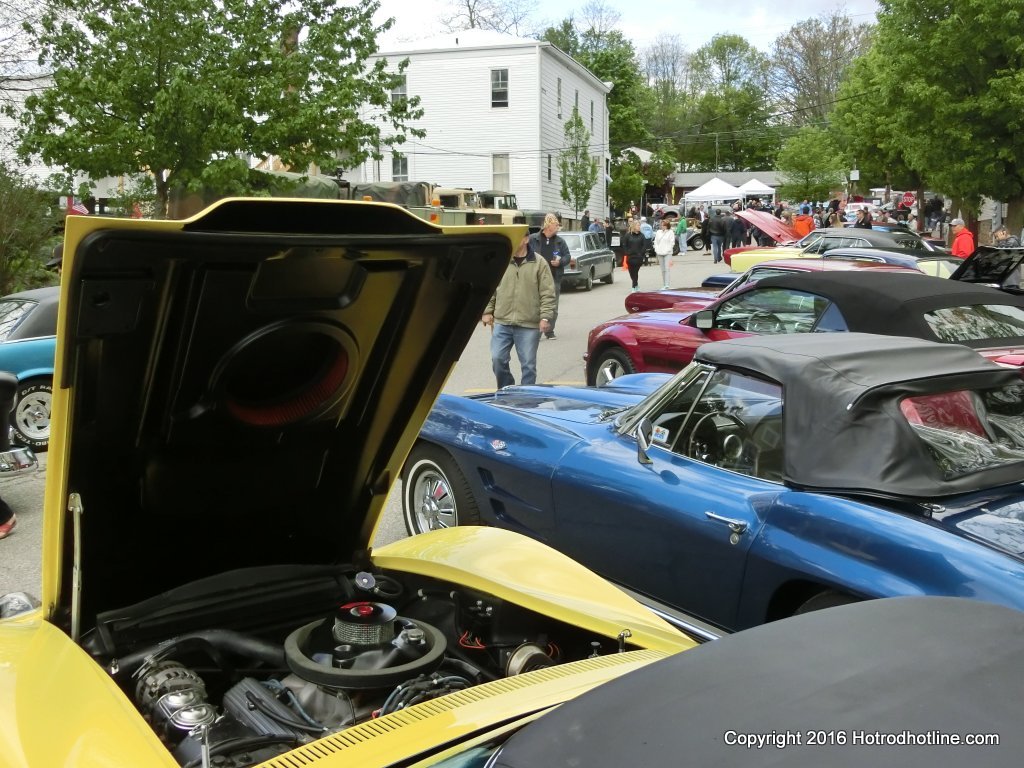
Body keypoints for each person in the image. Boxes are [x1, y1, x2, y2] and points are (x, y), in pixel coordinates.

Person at [482, 234, 556, 388]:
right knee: (497, 359)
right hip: (503, 321)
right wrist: (487, 311)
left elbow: (547, 292)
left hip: (529, 324)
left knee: (528, 366)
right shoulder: (501, 261)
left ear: (526, 239)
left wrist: (545, 317)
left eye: (517, 237)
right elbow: (491, 288)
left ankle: (526, 398)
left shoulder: (539, 263)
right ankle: (506, 389)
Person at [530, 213, 570, 339]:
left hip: (554, 277)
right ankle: (536, 330)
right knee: (536, 304)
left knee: (553, 305)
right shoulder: (533, 239)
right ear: (548, 226)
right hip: (536, 278)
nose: (558, 227)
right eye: (556, 225)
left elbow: (567, 256)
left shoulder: (560, 241)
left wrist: (560, 262)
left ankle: (549, 330)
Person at [622, 219, 647, 291]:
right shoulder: (628, 235)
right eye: (638, 225)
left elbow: (644, 246)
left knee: (635, 272)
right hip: (630, 257)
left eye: (639, 225)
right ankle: (636, 285)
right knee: (631, 273)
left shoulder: (642, 235)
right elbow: (624, 245)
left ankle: (633, 287)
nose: (639, 227)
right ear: (634, 226)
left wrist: (641, 253)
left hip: (638, 257)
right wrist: (627, 252)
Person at [653, 218, 675, 289]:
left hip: (667, 253)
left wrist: (668, 250)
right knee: (662, 269)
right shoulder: (658, 232)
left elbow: (672, 243)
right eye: (661, 225)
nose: (662, 227)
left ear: (667, 226)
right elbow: (655, 241)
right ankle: (664, 284)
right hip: (659, 252)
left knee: (667, 269)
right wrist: (656, 249)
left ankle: (667, 285)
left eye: (664, 225)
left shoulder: (670, 232)